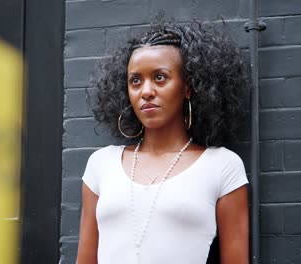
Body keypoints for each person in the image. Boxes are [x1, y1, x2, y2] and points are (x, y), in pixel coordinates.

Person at [76, 20, 249, 264]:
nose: (146, 91)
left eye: (159, 77)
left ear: (187, 87)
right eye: (135, 80)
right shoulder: (101, 164)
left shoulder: (222, 166)